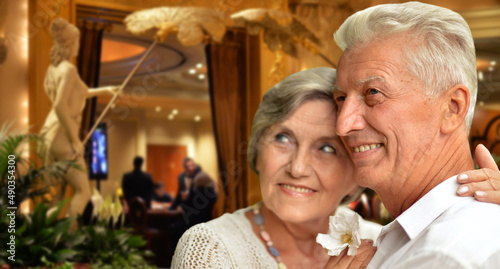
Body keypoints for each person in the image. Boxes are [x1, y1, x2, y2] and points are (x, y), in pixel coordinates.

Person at [332, 2, 500, 268]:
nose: (343, 124)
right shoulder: (420, 238)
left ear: (452, 108)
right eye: (341, 98)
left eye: (373, 93)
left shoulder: (443, 255)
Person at [39, 18, 117, 218]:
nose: (79, 47)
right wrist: (74, 140)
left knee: (58, 195)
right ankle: (64, 238)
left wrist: (107, 90)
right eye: (77, 42)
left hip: (50, 134)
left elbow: (82, 92)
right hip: (64, 134)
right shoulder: (69, 70)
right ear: (70, 43)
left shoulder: (54, 69)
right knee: (84, 191)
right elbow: (59, 105)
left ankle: (49, 242)